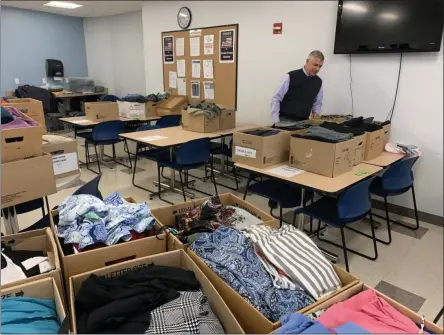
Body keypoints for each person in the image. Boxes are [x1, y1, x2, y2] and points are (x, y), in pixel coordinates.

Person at [271, 50, 324, 123]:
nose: (317, 69)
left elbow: (317, 102)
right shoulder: (290, 76)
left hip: (304, 122)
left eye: (320, 66)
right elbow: (276, 98)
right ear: (307, 61)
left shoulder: (319, 82)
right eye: (315, 65)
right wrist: (276, 121)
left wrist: (315, 114)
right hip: (285, 121)